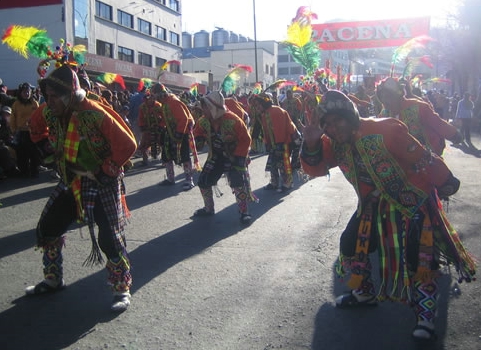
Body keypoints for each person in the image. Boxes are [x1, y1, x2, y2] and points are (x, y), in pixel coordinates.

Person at [300, 90, 476, 341]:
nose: (332, 128)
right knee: (350, 245)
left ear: (351, 116)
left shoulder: (386, 130)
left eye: (337, 120)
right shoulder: (334, 144)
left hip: (412, 202)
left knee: (420, 259)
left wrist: (446, 180)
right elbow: (315, 169)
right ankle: (365, 293)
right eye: (325, 124)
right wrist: (311, 143)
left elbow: (422, 157)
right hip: (372, 208)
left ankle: (425, 315)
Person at [26, 64, 137, 312]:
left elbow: (128, 145)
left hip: (101, 183)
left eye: (55, 97)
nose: (49, 101)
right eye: (48, 96)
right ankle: (53, 279)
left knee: (110, 238)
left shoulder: (95, 113)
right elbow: (34, 128)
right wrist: (47, 152)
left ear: (70, 94)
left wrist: (106, 169)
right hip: (71, 179)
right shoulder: (48, 111)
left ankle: (121, 288)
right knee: (48, 227)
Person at [192, 91, 256, 224]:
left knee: (238, 182)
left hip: (234, 156)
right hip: (215, 155)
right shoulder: (203, 121)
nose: (203, 109)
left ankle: (244, 212)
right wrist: (198, 139)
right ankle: (209, 208)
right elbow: (197, 132)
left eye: (205, 107)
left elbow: (246, 139)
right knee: (203, 181)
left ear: (213, 108)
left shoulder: (233, 120)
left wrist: (239, 157)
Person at [376, 77, 462, 157]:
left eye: (388, 96)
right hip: (402, 159)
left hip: (428, 156)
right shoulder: (383, 115)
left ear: (398, 95)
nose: (384, 100)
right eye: (382, 97)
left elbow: (438, 123)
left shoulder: (418, 107)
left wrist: (454, 135)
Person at [151, 83, 198, 191]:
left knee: (184, 156)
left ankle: (189, 180)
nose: (156, 100)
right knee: (166, 155)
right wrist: (160, 126)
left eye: (156, 97)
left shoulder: (173, 102)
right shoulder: (165, 103)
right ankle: (170, 178)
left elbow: (184, 119)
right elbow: (166, 119)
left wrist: (179, 134)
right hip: (171, 131)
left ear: (160, 95)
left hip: (182, 131)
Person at [250, 93, 301, 192]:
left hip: (284, 142)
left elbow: (280, 129)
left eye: (258, 105)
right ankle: (274, 182)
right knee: (273, 163)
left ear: (264, 104)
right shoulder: (265, 113)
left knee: (282, 163)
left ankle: (288, 183)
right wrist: (268, 143)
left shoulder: (275, 111)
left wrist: (279, 145)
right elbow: (266, 130)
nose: (257, 108)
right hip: (275, 143)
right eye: (256, 106)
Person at [10, 82, 41, 177]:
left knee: (34, 152)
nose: (26, 94)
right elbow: (12, 118)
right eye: (24, 92)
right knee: (21, 153)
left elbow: (39, 117)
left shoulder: (34, 103)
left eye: (28, 92)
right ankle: (24, 171)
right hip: (20, 132)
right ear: (20, 93)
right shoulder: (16, 104)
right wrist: (13, 130)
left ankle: (34, 171)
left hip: (32, 132)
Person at [137, 91, 163, 165]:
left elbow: (164, 117)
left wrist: (161, 126)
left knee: (162, 143)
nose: (150, 100)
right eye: (148, 98)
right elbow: (140, 118)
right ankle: (145, 160)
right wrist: (142, 126)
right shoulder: (142, 107)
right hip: (147, 128)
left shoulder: (158, 106)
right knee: (144, 144)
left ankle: (164, 160)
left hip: (158, 127)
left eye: (152, 98)